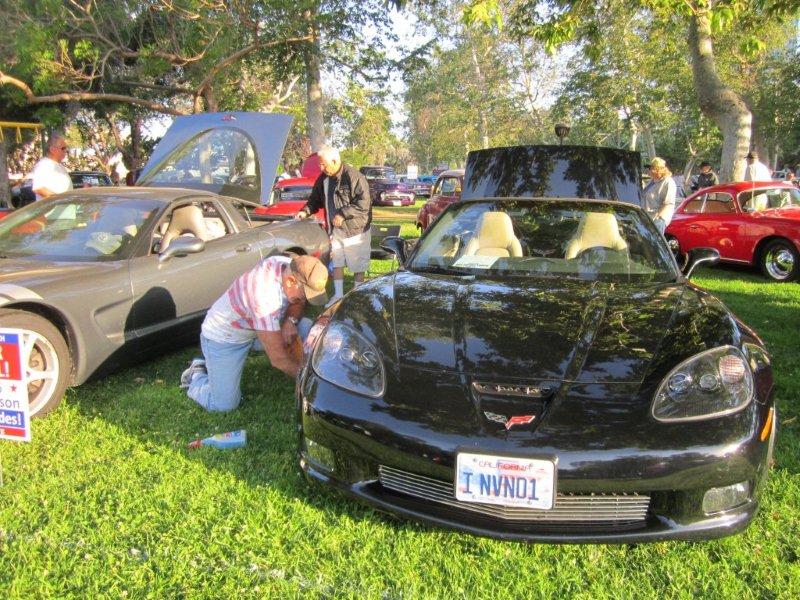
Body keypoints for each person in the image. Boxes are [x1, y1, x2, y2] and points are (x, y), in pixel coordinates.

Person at [180, 254, 328, 412]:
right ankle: (196, 375)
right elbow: (278, 359)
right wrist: (309, 382)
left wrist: (290, 321)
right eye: (305, 294)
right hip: (225, 338)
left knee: (305, 327)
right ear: (290, 281)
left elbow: (298, 302)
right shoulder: (263, 298)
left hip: (257, 329)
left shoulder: (288, 265)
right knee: (224, 405)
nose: (305, 299)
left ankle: (308, 369)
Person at [296, 146, 372, 303]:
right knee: (337, 262)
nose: (321, 168)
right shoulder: (323, 179)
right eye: (320, 164)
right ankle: (338, 296)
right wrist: (305, 211)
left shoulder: (354, 177)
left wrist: (343, 214)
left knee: (358, 266)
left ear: (335, 161)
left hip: (356, 231)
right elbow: (314, 200)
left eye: (323, 164)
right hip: (336, 230)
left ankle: (356, 298)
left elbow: (363, 204)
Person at [30, 133, 73, 201]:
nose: (66, 151)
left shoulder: (59, 166)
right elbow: (39, 189)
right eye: (63, 148)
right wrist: (60, 199)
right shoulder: (44, 165)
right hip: (55, 207)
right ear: (52, 149)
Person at [642, 157, 676, 235]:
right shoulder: (652, 181)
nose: (649, 170)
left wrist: (658, 218)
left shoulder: (668, 182)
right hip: (648, 218)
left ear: (657, 170)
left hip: (657, 221)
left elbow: (668, 203)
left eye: (650, 168)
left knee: (654, 241)